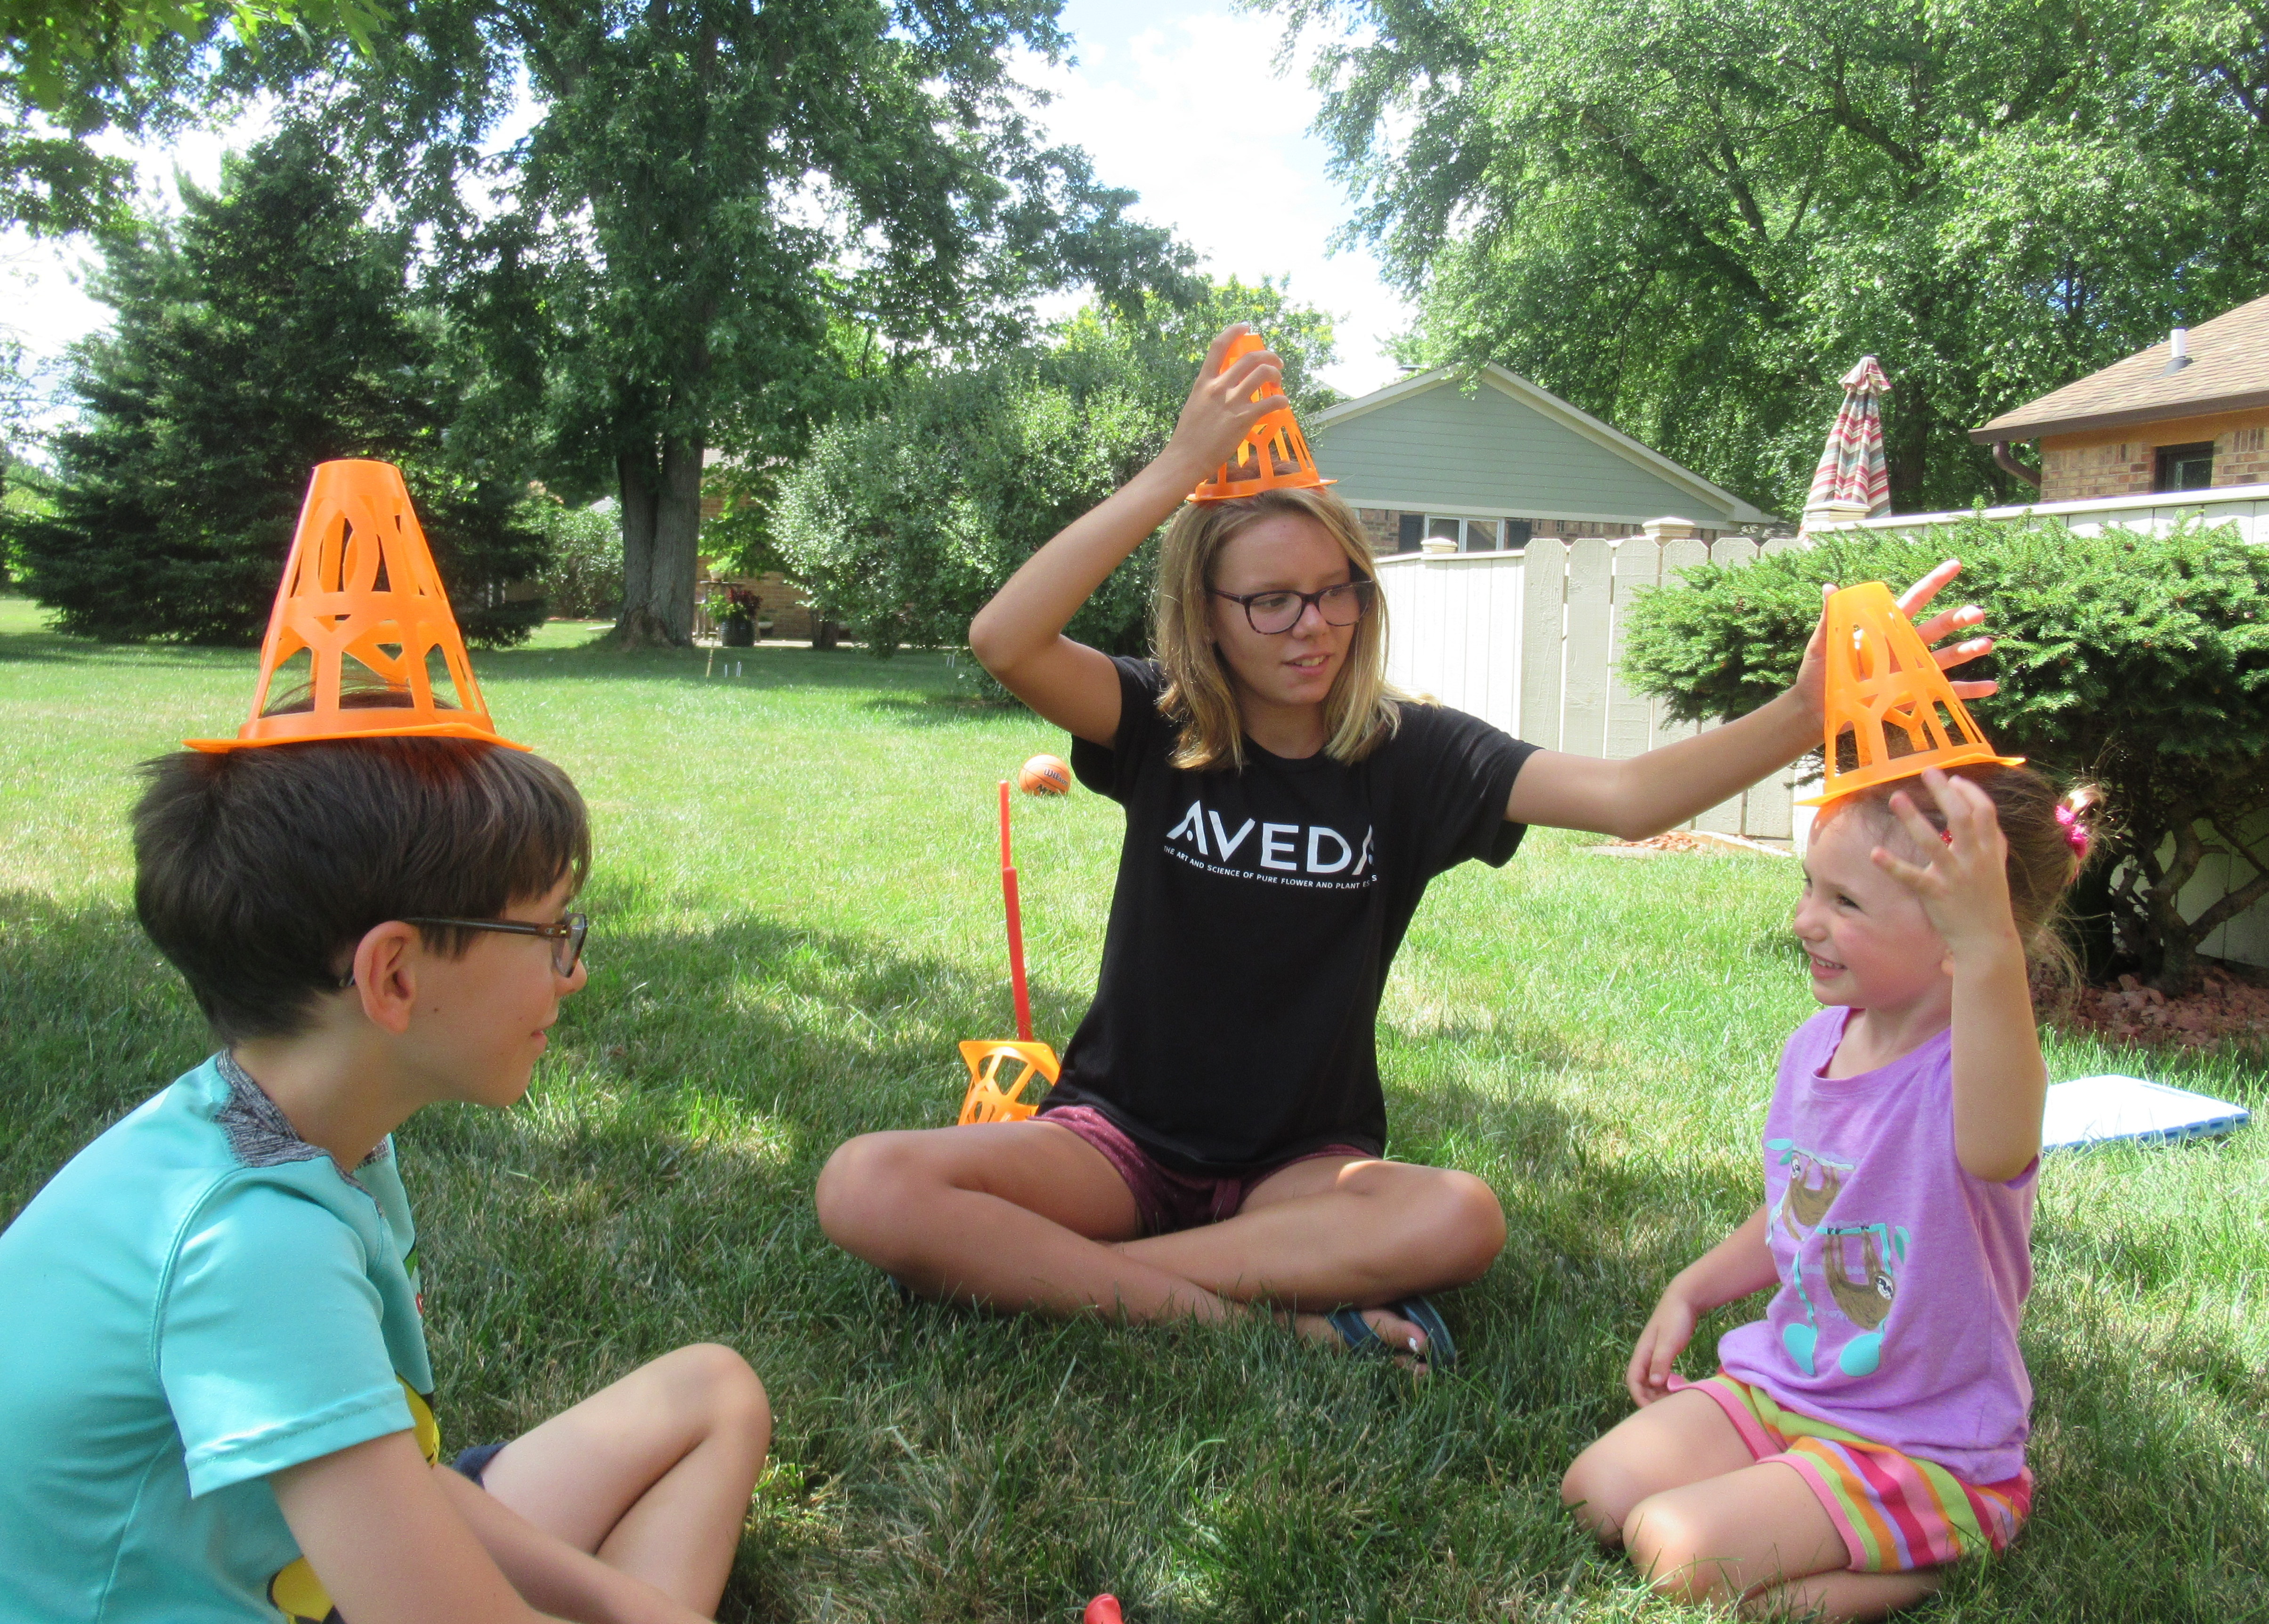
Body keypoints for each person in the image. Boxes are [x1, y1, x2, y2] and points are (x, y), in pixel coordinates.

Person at [814, 325, 1996, 1367]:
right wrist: (1177, 471)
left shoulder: (1414, 756)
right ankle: (1239, 1317)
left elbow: (1630, 798)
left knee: (1458, 1217)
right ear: (1205, 618)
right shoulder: (1159, 724)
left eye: (1337, 591)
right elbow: (1004, 638)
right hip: (1115, 1142)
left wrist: (1800, 712)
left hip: (1298, 1170)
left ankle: (1072, 1276)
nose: (1312, 625)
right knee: (866, 1182)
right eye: (1269, 601)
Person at [0, 722, 771, 1624]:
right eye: (552, 931)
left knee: (713, 1391)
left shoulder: (303, 1134)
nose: (575, 973)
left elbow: (399, 1466)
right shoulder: (251, 1246)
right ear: (394, 976)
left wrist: (629, 1605)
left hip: (316, 1558)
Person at [1560, 763, 2089, 1619]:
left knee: (1672, 1548)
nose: (1806, 919)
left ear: (1958, 935)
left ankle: (1962, 1529)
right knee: (1596, 1492)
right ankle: (1801, 1496)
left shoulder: (1978, 1077)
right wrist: (1692, 1287)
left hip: (1915, 1439)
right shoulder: (1817, 1044)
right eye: (1812, 886)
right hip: (1788, 1388)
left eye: (1846, 902)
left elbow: (1998, 1147)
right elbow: (1803, 1207)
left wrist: (1991, 945)